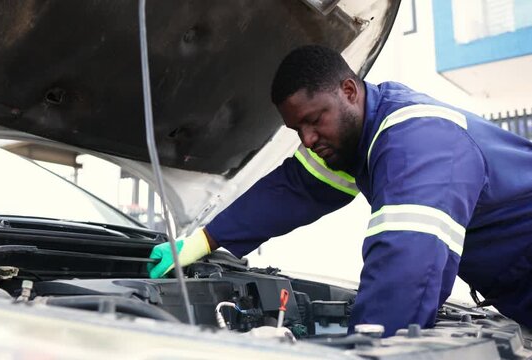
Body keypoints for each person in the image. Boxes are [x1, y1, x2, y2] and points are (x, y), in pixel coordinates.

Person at [147, 45, 532, 336]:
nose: (308, 139)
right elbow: (295, 188)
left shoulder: (418, 142)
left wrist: (369, 346)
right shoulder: (354, 139)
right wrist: (203, 240)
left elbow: (408, 262)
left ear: (349, 90)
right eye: (298, 130)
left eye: (314, 121)